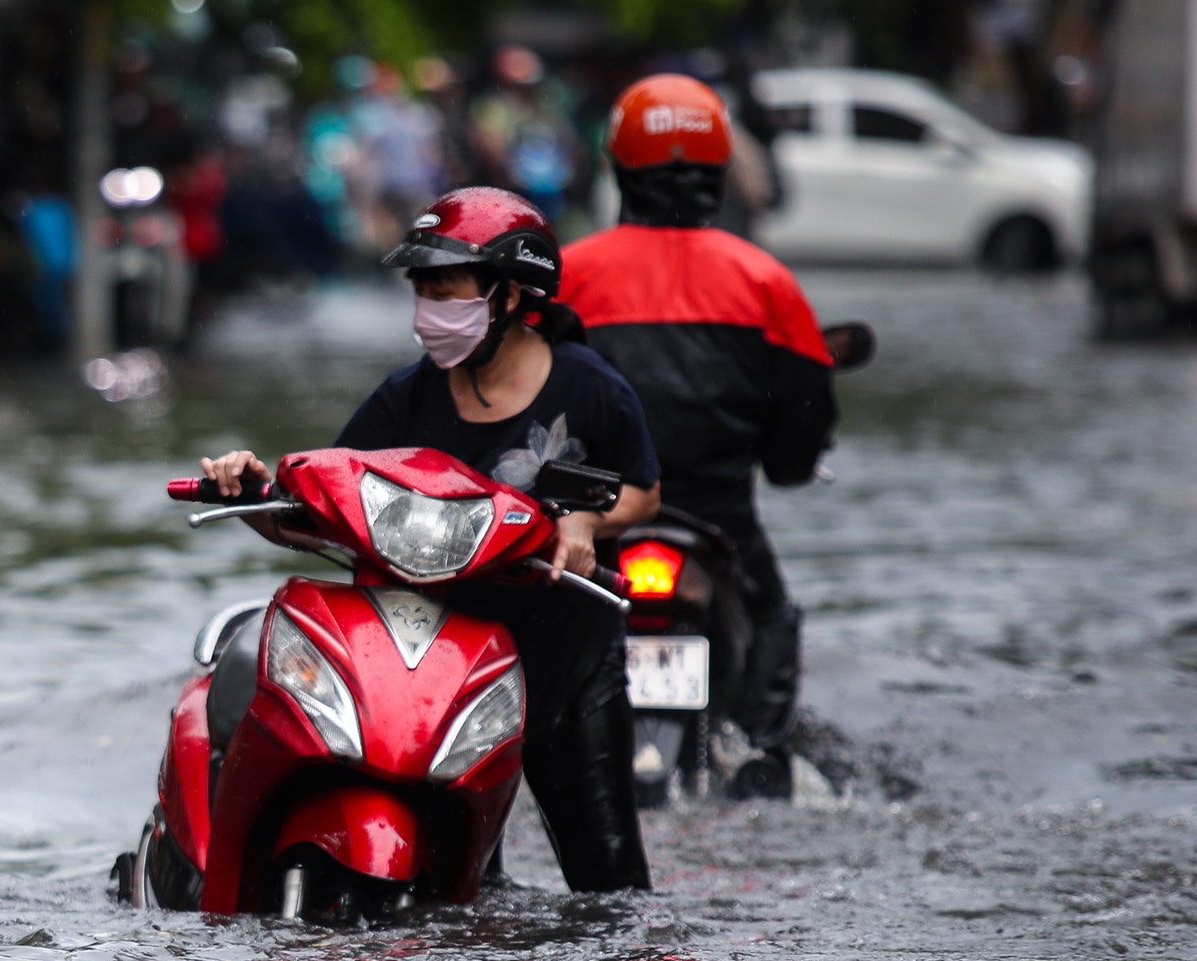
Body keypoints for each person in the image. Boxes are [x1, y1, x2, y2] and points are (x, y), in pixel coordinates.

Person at [202, 187, 659, 892]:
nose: (428, 315)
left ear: (508, 297)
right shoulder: (405, 398)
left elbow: (644, 490)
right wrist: (253, 492)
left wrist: (585, 520)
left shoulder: (590, 386)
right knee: (457, 888)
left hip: (567, 667)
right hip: (445, 678)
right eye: (422, 294)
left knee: (610, 889)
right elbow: (324, 509)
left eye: (446, 293)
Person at [559, 75, 837, 799]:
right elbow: (801, 430)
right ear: (719, 175)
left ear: (620, 169)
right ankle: (761, 755)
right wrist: (790, 463)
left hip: (595, 526)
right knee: (774, 614)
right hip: (720, 524)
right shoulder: (765, 282)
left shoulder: (567, 278)